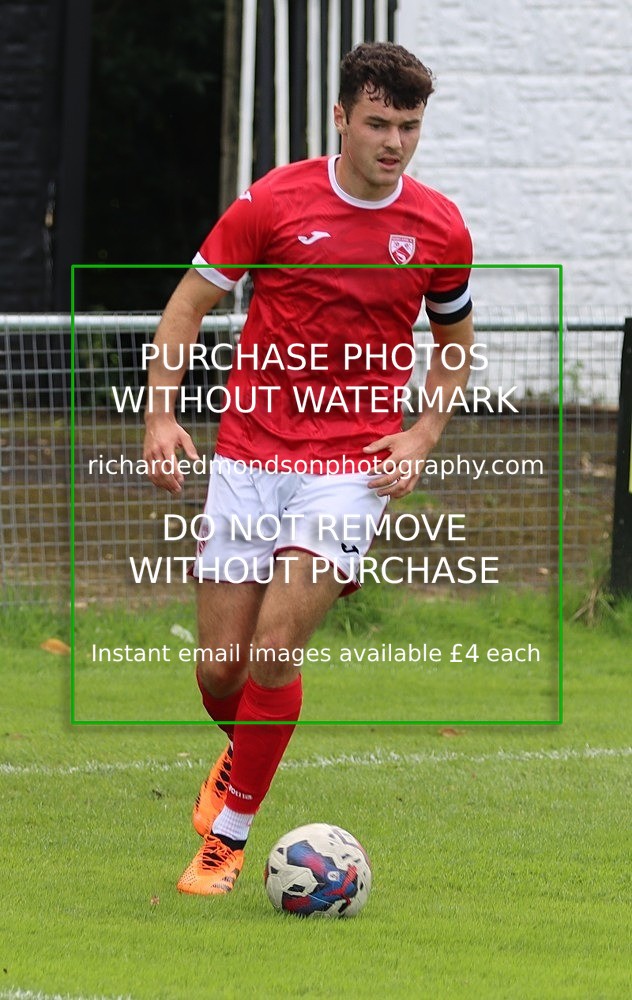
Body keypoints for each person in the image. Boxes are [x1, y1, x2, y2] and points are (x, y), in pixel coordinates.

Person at [143, 41, 474, 896]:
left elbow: (455, 349)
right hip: (249, 456)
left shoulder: (438, 228)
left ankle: (227, 840)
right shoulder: (275, 202)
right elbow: (187, 305)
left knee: (276, 647)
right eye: (377, 123)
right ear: (341, 118)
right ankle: (240, 757)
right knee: (221, 668)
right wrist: (161, 412)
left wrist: (419, 436)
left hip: (349, 468)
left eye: (408, 125)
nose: (394, 142)